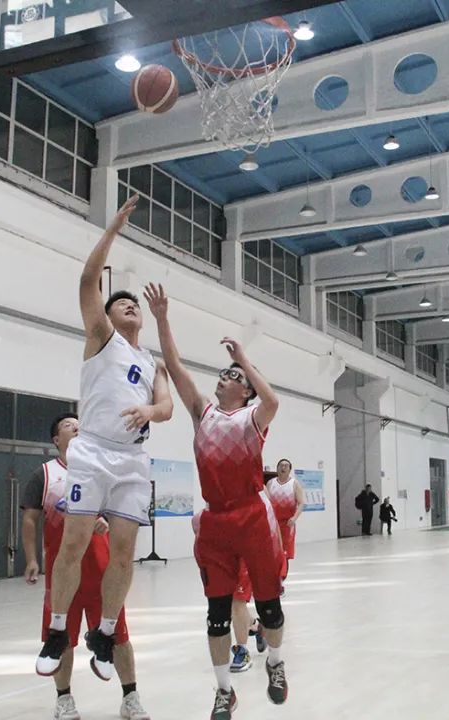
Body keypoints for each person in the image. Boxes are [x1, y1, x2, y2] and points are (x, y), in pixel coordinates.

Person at [36, 194, 174, 681]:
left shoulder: (151, 363)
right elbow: (86, 281)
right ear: (108, 316)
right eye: (121, 303)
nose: (129, 305)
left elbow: (167, 408)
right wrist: (112, 229)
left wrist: (149, 410)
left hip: (132, 461)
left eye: (134, 304)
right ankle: (57, 630)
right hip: (93, 451)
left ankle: (105, 633)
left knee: (123, 554)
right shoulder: (101, 338)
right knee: (74, 544)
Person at [144, 282, 287, 719]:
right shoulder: (203, 413)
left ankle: (275, 662)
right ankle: (225, 691)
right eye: (225, 373)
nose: (225, 377)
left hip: (253, 517)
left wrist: (244, 360)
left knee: (269, 607)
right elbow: (174, 365)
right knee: (217, 614)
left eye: (234, 376)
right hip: (216, 523)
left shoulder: (253, 417)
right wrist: (162, 319)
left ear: (245, 390)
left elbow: (273, 399)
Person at [22, 413, 150, 720]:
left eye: (79, 423)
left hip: (102, 575)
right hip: (63, 576)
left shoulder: (104, 471)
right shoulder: (45, 474)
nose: (76, 426)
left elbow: (120, 515)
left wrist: (107, 522)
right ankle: (64, 699)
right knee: (61, 639)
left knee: (118, 637)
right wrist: (31, 559)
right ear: (57, 440)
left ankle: (130, 697)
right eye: (68, 425)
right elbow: (29, 519)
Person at [266, 458, 304, 580]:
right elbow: (266, 502)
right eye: (281, 465)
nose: (283, 467)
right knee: (272, 550)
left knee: (284, 551)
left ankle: (281, 578)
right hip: (272, 523)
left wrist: (294, 518)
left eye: (286, 466)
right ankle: (272, 575)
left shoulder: (294, 484)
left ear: (289, 469)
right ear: (277, 468)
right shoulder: (270, 483)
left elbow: (301, 503)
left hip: (287, 524)